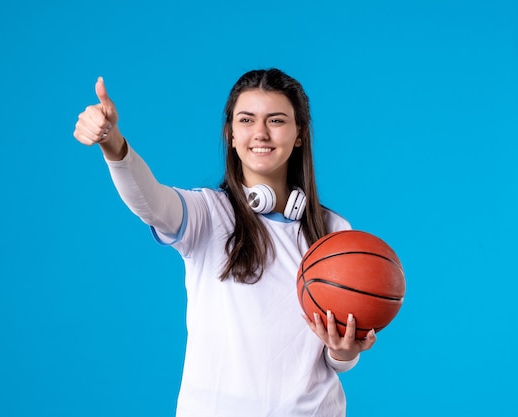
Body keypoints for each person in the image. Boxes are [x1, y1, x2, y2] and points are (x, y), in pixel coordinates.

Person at [73, 68, 376, 417]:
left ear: (299, 135)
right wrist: (113, 143)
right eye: (246, 119)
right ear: (231, 134)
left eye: (276, 120)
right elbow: (150, 202)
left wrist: (344, 350)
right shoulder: (207, 214)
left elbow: (335, 357)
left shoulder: (334, 230)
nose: (260, 132)